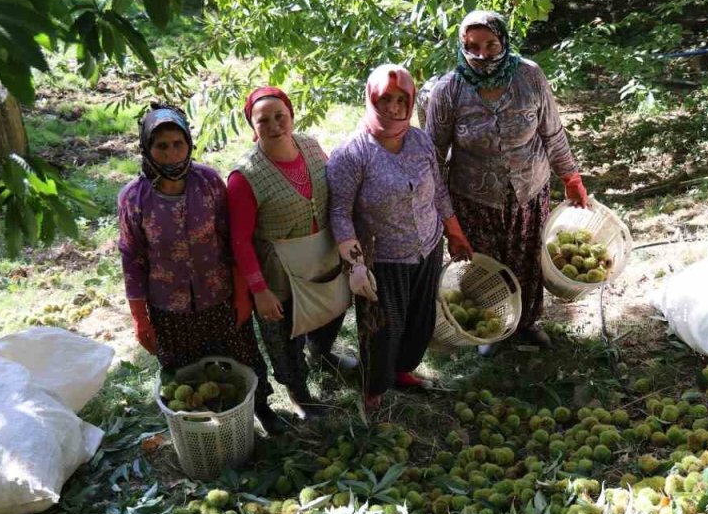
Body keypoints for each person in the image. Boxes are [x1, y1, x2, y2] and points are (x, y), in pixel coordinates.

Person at [423, 10, 589, 353]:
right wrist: (446, 218)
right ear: (462, 46)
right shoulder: (449, 90)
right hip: (474, 196)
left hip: (529, 188)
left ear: (504, 41)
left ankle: (525, 324)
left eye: (491, 44)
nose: (483, 55)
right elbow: (434, 159)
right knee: (484, 262)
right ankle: (492, 327)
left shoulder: (529, 76)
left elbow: (552, 133)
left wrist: (570, 176)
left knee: (527, 258)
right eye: (473, 47)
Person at [117, 104, 281, 430]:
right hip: (169, 306)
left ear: (189, 144)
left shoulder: (207, 183)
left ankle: (261, 407)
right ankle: (200, 427)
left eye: (178, 144)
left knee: (244, 358)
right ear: (147, 149)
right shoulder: (134, 198)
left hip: (218, 294)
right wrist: (139, 317)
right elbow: (131, 258)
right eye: (161, 146)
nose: (171, 154)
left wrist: (241, 295)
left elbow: (231, 239)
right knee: (185, 374)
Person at [327, 64, 473, 412]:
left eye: (401, 99)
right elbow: (339, 214)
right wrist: (356, 266)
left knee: (419, 322)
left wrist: (455, 233)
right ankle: (374, 388)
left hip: (427, 247)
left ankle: (403, 370)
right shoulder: (353, 153)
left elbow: (437, 191)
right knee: (382, 331)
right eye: (385, 99)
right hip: (384, 259)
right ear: (371, 99)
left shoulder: (419, 140)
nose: (393, 107)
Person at [228, 87, 355, 417]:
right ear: (252, 126)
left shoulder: (311, 146)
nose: (274, 125)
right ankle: (299, 394)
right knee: (284, 337)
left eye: (279, 116)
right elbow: (239, 241)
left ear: (292, 114)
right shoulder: (246, 176)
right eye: (263, 120)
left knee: (333, 306)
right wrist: (260, 290)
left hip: (322, 252)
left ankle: (322, 353)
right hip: (279, 267)